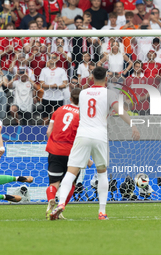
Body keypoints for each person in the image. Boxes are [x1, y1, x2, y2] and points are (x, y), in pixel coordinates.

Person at [50, 66, 140, 220]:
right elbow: (119, 110)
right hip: (99, 135)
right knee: (102, 173)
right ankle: (102, 212)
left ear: (91, 77)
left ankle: (61, 203)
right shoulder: (109, 93)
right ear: (106, 78)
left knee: (71, 172)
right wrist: (133, 125)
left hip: (83, 134)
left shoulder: (83, 93)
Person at [45, 88, 93, 219]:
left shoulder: (58, 110)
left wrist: (54, 144)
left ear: (70, 98)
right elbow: (83, 137)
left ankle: (51, 199)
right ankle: (60, 209)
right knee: (70, 183)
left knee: (53, 184)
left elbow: (49, 131)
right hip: (73, 153)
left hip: (55, 151)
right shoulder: (83, 115)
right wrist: (87, 157)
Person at [39, 53, 68, 124]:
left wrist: (57, 86)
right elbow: (41, 84)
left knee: (58, 119)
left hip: (58, 98)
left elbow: (65, 84)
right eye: (50, 57)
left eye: (54, 57)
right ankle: (43, 133)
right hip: (47, 97)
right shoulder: (44, 70)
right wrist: (51, 86)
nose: (52, 59)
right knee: (45, 118)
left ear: (57, 59)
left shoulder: (61, 70)